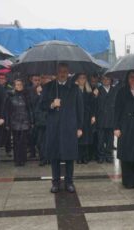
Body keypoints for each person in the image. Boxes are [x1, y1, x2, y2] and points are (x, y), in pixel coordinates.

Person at [41, 63, 83, 193]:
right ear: (56, 73)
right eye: (60, 71)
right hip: (54, 126)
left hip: (70, 126)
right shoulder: (48, 87)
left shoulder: (75, 88)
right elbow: (41, 105)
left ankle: (69, 182)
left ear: (68, 72)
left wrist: (80, 127)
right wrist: (52, 104)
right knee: (55, 156)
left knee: (69, 155)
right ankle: (55, 182)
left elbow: (80, 109)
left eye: (65, 71)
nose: (62, 74)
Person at [5, 79, 33, 167]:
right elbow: (8, 111)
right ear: (14, 86)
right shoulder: (10, 97)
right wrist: (7, 122)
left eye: (20, 84)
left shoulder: (26, 96)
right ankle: (17, 159)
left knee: (23, 142)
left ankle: (23, 159)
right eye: (17, 85)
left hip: (24, 121)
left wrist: (31, 121)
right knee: (16, 142)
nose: (19, 86)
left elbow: (30, 109)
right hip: (14, 121)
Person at [75, 73, 96, 164]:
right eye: (80, 78)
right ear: (77, 79)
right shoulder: (75, 90)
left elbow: (92, 105)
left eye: (84, 78)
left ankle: (85, 156)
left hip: (87, 116)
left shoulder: (89, 91)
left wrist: (93, 115)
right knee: (79, 137)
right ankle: (79, 157)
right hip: (78, 116)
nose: (82, 80)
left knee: (86, 137)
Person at [96, 75, 117, 163]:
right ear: (101, 80)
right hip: (101, 117)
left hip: (111, 117)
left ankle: (109, 155)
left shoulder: (114, 90)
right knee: (100, 138)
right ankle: (101, 156)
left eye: (108, 79)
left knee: (110, 138)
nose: (106, 80)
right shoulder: (98, 90)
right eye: (104, 79)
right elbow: (95, 104)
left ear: (111, 80)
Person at [34, 75, 52, 166]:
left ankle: (48, 158)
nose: (45, 80)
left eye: (46, 78)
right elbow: (34, 104)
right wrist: (38, 94)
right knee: (40, 141)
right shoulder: (37, 89)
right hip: (40, 120)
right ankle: (43, 157)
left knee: (48, 140)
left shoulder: (52, 89)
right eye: (43, 78)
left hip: (49, 119)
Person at [0, 73, 13, 157]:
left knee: (7, 131)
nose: (1, 80)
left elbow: (12, 93)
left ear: (6, 79)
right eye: (0, 78)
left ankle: (8, 150)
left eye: (3, 78)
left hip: (7, 112)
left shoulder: (9, 87)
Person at [27, 75, 41, 158]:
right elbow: (31, 102)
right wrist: (37, 94)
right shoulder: (29, 90)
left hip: (41, 117)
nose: (37, 82)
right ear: (32, 80)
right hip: (32, 115)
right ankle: (32, 152)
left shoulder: (43, 89)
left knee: (40, 138)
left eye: (38, 80)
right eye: (35, 80)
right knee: (31, 136)